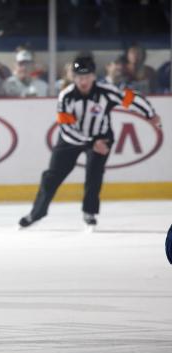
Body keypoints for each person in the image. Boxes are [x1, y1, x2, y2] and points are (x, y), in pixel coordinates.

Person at [19, 56, 160, 229]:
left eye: (86, 76)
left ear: (94, 76)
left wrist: (150, 114)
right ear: (73, 77)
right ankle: (36, 213)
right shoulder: (66, 96)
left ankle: (89, 211)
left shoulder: (106, 92)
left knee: (94, 173)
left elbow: (131, 98)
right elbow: (66, 130)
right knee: (51, 177)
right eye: (79, 77)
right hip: (71, 139)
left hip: (101, 136)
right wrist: (90, 143)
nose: (83, 81)